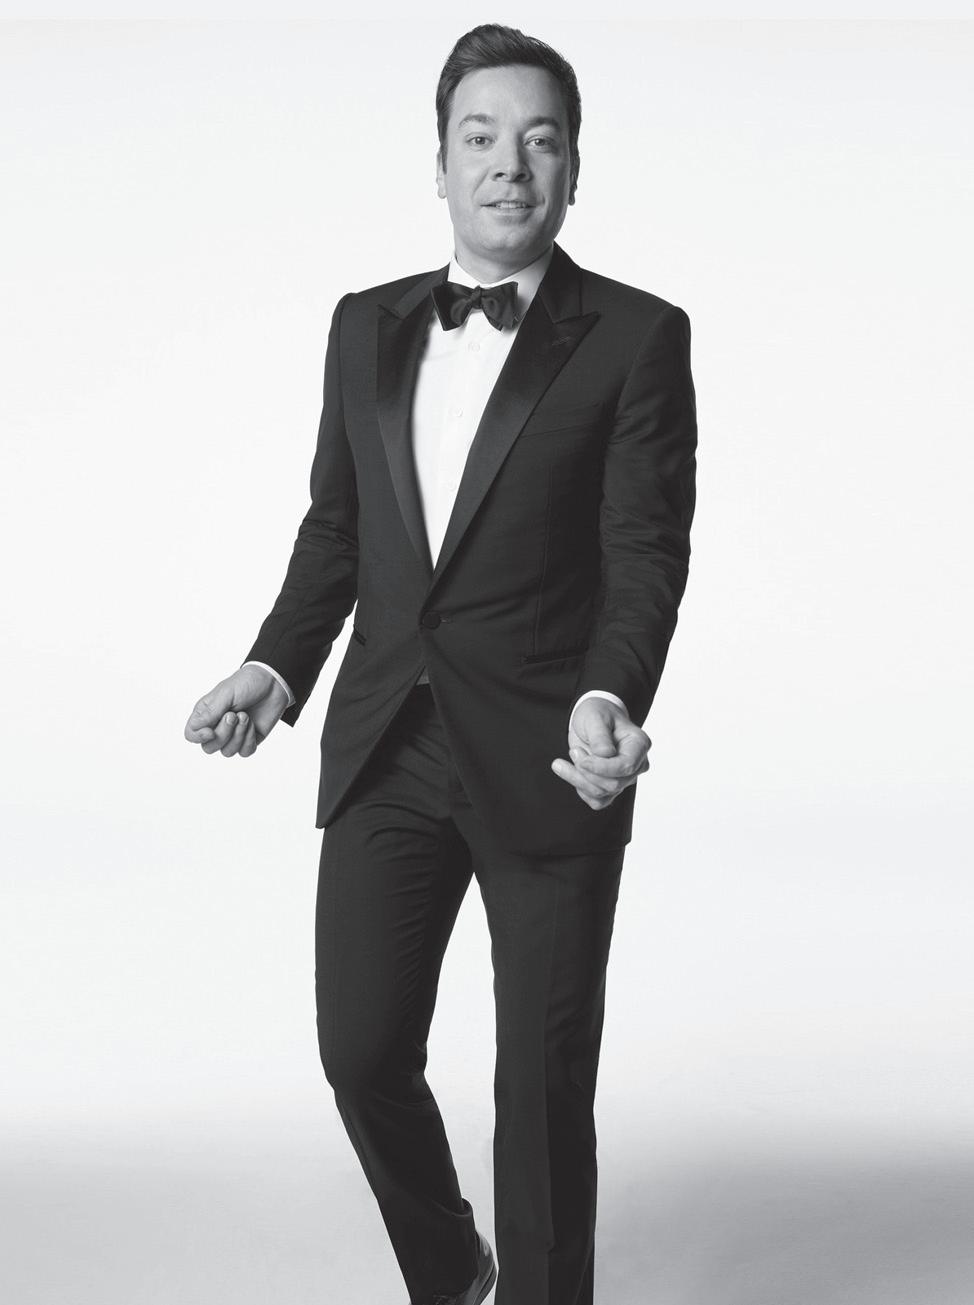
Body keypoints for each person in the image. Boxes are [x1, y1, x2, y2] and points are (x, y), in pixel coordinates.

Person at [184, 23, 696, 1305]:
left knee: (540, 1090)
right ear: (440, 163)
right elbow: (337, 529)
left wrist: (608, 696)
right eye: (480, 137)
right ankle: (450, 1269)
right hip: (389, 744)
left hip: (548, 753)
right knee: (360, 1053)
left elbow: (643, 551)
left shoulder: (637, 336)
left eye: (538, 139)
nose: (508, 165)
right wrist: (272, 668)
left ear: (572, 166)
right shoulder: (362, 326)